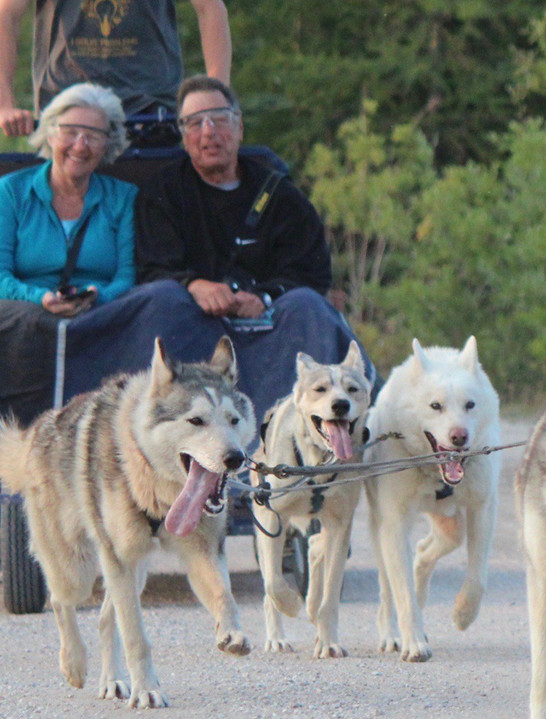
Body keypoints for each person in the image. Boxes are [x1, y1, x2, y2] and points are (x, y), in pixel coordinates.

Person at [133, 75, 376, 420]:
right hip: (190, 326)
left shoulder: (282, 196)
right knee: (160, 298)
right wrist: (194, 286)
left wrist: (264, 297)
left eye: (219, 119)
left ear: (239, 128)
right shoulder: (162, 193)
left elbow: (312, 272)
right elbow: (150, 268)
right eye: (195, 123)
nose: (208, 132)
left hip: (271, 326)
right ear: (183, 137)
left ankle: (315, 424)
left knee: (308, 305)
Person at [0, 82, 136, 424]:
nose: (80, 145)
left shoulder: (124, 197)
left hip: (100, 311)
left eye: (93, 135)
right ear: (50, 133)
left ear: (107, 143)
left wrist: (97, 295)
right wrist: (40, 298)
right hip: (25, 314)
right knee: (26, 322)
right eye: (70, 132)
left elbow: (128, 275)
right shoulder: (10, 192)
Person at [0, 0, 231, 139]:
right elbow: (6, 15)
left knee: (151, 202)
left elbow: (211, 8)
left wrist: (217, 101)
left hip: (151, 112)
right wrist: (4, 105)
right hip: (66, 109)